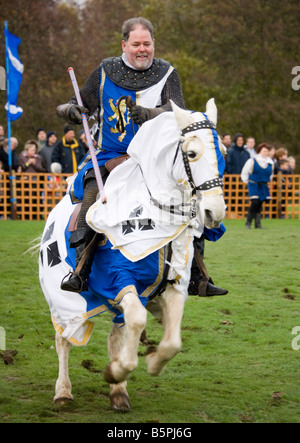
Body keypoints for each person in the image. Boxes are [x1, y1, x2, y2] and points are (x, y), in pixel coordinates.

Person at [57, 16, 227, 297]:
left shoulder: (167, 73)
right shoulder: (104, 71)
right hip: (112, 156)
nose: (142, 49)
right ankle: (81, 270)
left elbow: (177, 111)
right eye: (136, 44)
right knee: (93, 193)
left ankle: (197, 275)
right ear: (124, 45)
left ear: (153, 44)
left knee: (191, 200)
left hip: (154, 158)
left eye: (146, 44)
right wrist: (72, 111)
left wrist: (151, 113)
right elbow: (77, 102)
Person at [241, 143, 274, 229]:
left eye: (267, 151)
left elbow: (271, 174)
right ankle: (248, 223)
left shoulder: (270, 162)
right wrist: (245, 181)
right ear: (259, 151)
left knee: (260, 203)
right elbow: (245, 171)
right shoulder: (253, 160)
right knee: (255, 202)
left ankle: (257, 224)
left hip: (263, 184)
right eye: (264, 151)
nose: (265, 153)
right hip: (254, 184)